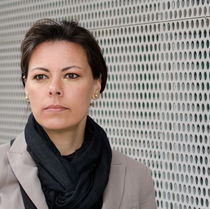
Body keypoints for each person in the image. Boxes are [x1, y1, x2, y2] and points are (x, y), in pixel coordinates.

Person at [0, 19, 157, 209]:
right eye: (41, 76)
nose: (54, 89)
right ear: (26, 87)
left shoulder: (136, 178)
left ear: (96, 85)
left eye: (71, 75)